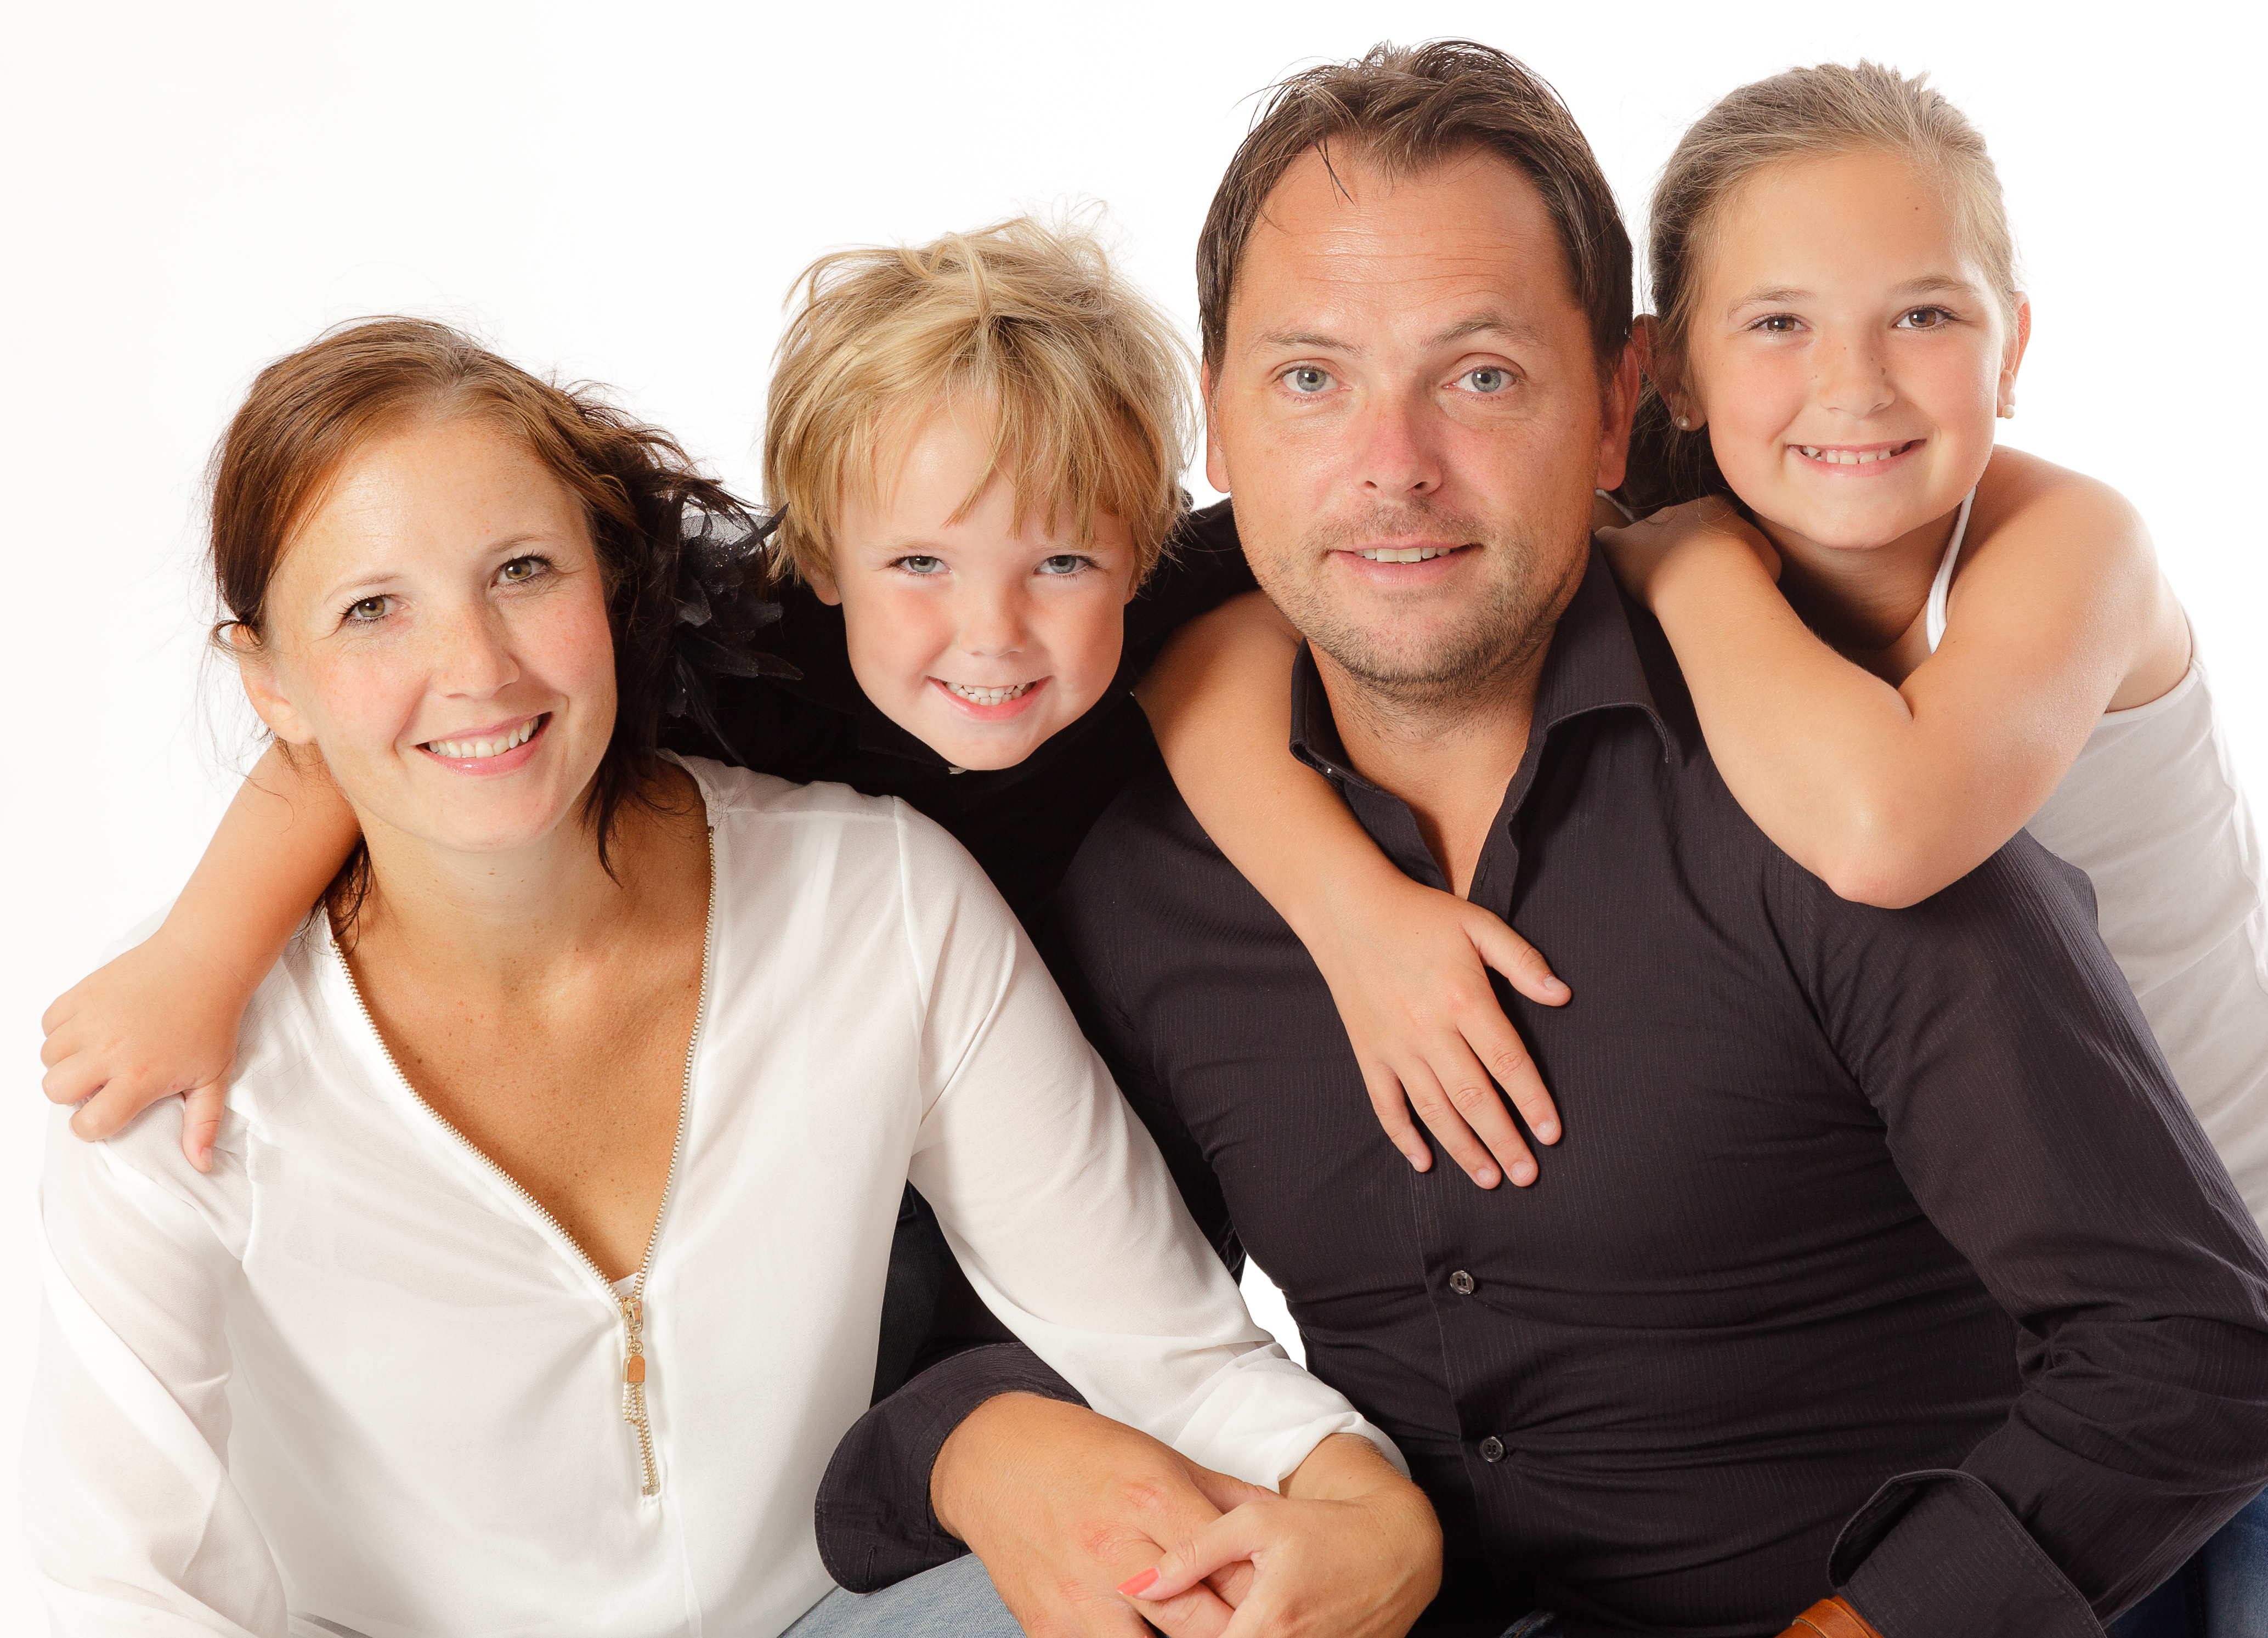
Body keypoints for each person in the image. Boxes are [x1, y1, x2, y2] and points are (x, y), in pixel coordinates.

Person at [818, 41, 2268, 1637]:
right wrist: (985, 1445)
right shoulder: (1159, 876)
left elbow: (2184, 1349)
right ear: (1216, 428)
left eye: (1483, 374)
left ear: (1616, 407)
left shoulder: (1838, 806)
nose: (1393, 463)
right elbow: (1077, 1305)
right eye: (1312, 378)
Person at [25, 318, 1437, 1636]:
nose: (473, 663)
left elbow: (1164, 1346)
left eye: (523, 572)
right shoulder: (170, 1073)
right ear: (271, 684)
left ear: (611, 586)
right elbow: (102, 1586)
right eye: (373, 610)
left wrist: (1370, 1505)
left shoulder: (879, 897)